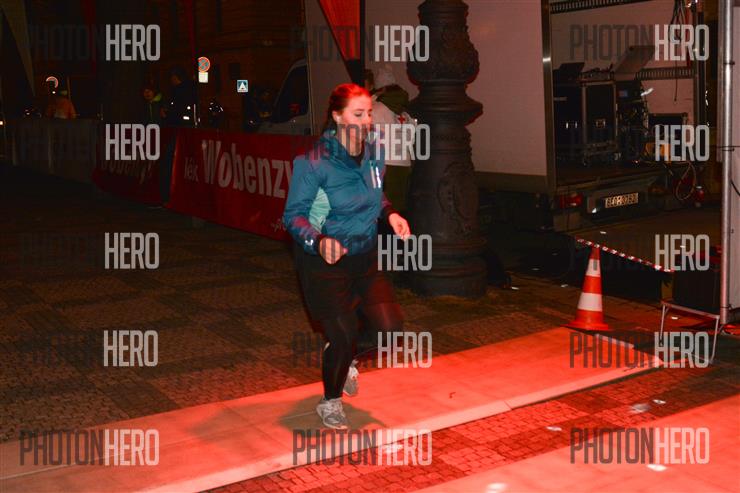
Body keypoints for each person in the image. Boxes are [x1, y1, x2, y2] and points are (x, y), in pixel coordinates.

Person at [283, 83, 411, 429]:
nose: (367, 121)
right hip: (324, 261)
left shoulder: (375, 151)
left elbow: (377, 194)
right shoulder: (314, 163)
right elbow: (293, 216)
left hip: (364, 255)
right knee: (342, 335)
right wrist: (318, 240)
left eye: (369, 113)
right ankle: (330, 401)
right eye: (358, 114)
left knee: (390, 329)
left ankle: (346, 355)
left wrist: (390, 215)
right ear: (338, 117)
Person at [366, 64, 413, 212]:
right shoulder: (406, 110)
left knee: (385, 210)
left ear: (381, 89)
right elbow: (412, 137)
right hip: (405, 163)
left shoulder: (375, 109)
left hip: (385, 164)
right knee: (401, 208)